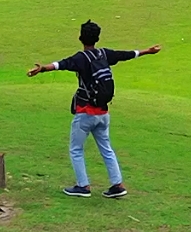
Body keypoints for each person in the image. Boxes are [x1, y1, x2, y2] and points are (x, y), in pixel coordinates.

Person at [27, 19, 160, 197]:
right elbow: (126, 54)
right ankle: (117, 185)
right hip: (103, 113)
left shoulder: (80, 58)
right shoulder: (105, 54)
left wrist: (42, 68)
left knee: (76, 149)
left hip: (85, 113)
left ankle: (83, 186)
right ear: (97, 38)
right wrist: (148, 51)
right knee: (106, 148)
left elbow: (60, 64)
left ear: (81, 38)